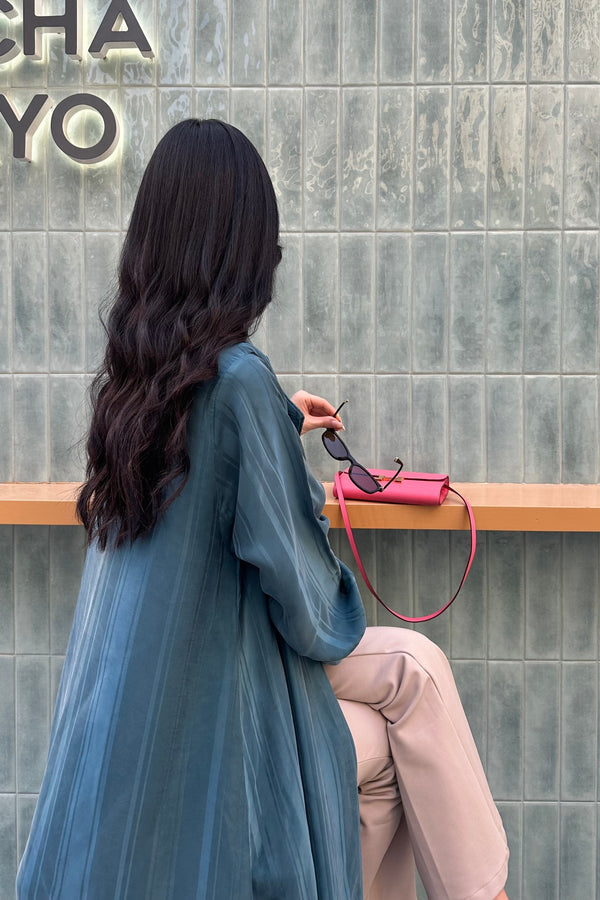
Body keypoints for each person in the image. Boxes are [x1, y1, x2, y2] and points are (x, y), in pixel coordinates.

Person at [17, 119, 509, 900]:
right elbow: (311, 615)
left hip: (121, 744)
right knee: (403, 710)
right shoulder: (237, 382)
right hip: (210, 743)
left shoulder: (135, 386)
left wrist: (278, 425)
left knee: (408, 699)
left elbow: (204, 477)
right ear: (246, 248)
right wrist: (291, 472)